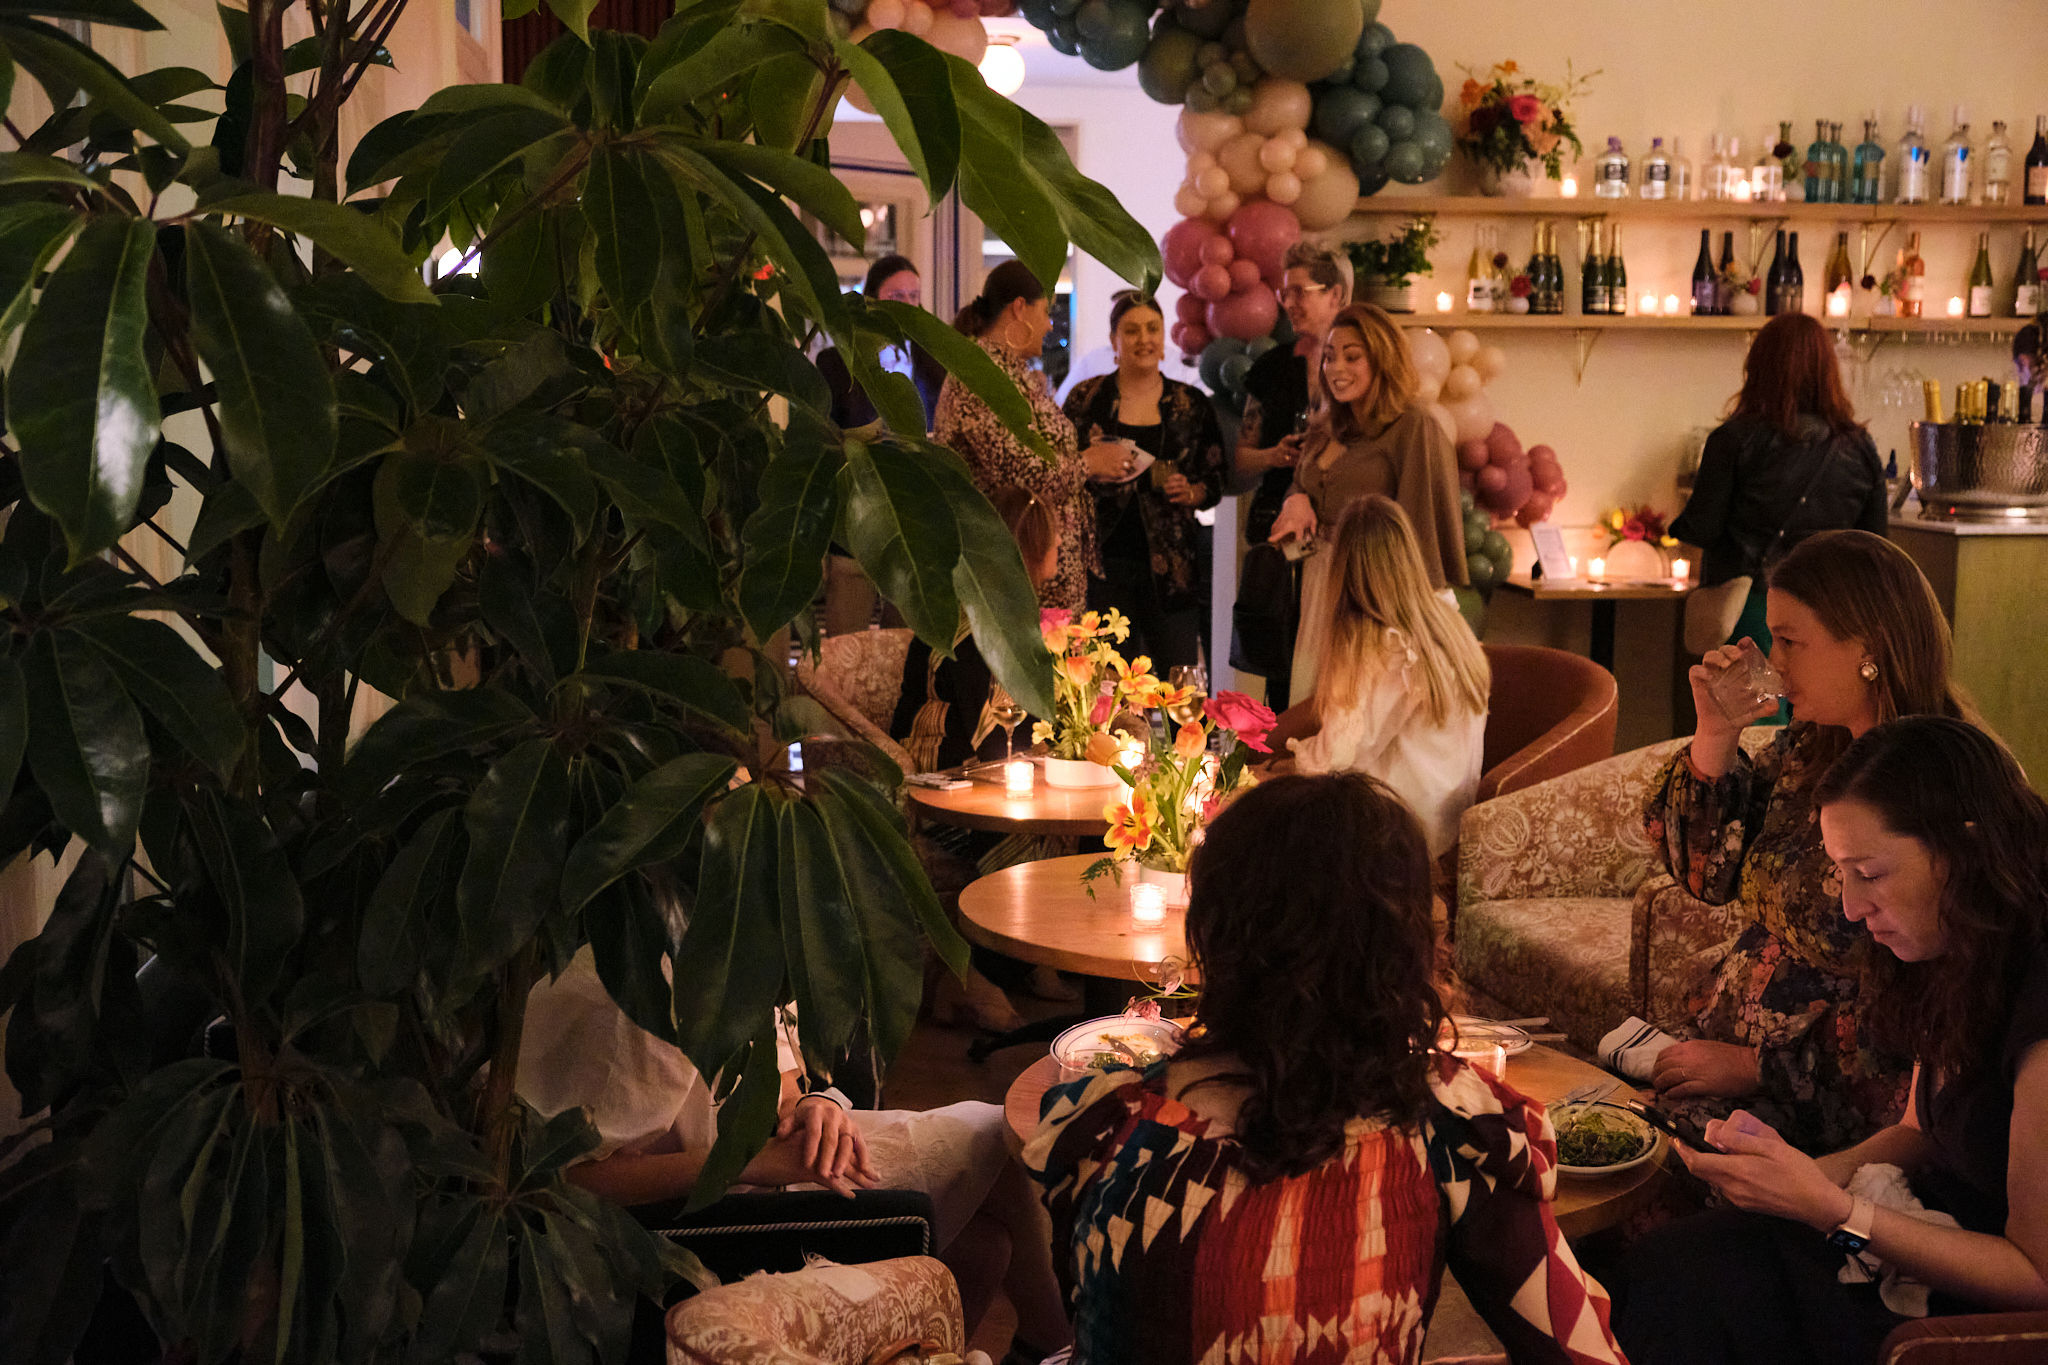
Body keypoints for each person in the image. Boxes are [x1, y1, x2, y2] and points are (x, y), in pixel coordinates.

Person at [1023, 772, 1628, 1365]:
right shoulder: (1449, 1128)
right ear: (1403, 949)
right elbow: (1579, 1351)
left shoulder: (1101, 1128)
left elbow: (1093, 1323)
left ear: (1212, 932)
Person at [1614, 716, 2048, 1365]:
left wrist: (1832, 1208)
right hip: (1902, 1240)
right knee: (1665, 1264)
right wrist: (1791, 1178)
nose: (1850, 907)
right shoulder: (1956, 942)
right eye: (1841, 873)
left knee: (1694, 1302)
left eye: (1869, 873)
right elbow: (1919, 1131)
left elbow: (2035, 1277)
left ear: (1963, 850)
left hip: (1973, 1304)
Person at [517, 950, 1072, 1360]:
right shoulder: (630, 991)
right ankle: (1060, 1344)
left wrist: (808, 1104)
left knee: (986, 1242)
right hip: (700, 1212)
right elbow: (564, 1182)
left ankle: (1041, 1344)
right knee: (992, 1142)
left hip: (762, 1160)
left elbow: (777, 1063)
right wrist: (747, 1162)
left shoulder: (744, 935)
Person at [1633, 530, 1976, 1155]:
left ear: (1869, 646)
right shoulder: (1812, 747)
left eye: (1789, 641)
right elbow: (1705, 874)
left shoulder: (1941, 783)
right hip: (1734, 1058)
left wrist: (1757, 1067)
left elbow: (1943, 1007)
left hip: (1830, 1102)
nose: (1774, 663)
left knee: (1653, 1171)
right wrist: (1716, 735)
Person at [1263, 496, 1488, 859]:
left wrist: (1274, 769)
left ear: (1344, 567)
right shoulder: (1446, 620)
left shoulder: (1381, 644)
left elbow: (1336, 760)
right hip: (1449, 821)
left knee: (1256, 822)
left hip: (1393, 831)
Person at [1266, 302, 1468, 703]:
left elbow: (1420, 532)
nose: (1336, 368)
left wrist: (1410, 619)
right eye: (1329, 357)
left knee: (1352, 712)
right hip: (1316, 586)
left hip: (1372, 597)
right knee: (1308, 704)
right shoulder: (1326, 427)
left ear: (1382, 359)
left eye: (1352, 356)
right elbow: (1302, 483)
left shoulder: (1415, 428)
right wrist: (1296, 499)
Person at [1669, 312, 1888, 655]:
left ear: (1757, 368)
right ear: (1828, 371)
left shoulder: (1733, 439)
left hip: (1751, 610)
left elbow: (1702, 528)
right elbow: (1874, 543)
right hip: (1829, 615)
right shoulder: (1860, 448)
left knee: (1744, 692)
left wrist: (1676, 525)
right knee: (1812, 692)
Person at [934, 261, 1132, 611]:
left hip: (1043, 575)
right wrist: (1088, 463)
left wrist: (1088, 460)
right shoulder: (981, 376)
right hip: (1011, 580)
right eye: (1045, 312)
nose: (1050, 324)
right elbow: (1020, 475)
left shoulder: (1012, 372)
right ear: (1019, 309)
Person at [1061, 292, 1227, 677]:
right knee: (1105, 685)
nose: (1144, 339)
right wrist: (1088, 467)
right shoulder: (1086, 399)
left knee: (1174, 686)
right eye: (1131, 331)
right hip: (1100, 567)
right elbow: (1058, 467)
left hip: (1173, 573)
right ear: (1114, 340)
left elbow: (1217, 477)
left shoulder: (1190, 404)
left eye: (1152, 329)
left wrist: (1194, 492)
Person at [1227, 241, 1351, 712]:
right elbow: (1241, 459)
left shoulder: (1361, 369)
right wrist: (1274, 456)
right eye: (1286, 293)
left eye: (1301, 291)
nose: (1290, 303)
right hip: (1280, 533)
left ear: (1335, 295)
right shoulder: (1272, 369)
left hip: (1340, 535)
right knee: (1278, 662)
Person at [893, 486, 1059, 773]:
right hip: (946, 774)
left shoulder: (1008, 616)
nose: (1059, 540)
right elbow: (995, 740)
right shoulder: (971, 629)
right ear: (1028, 547)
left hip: (997, 769)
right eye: (1052, 533)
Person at [815, 253, 948, 431]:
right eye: (897, 296)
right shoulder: (836, 363)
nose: (908, 305)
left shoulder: (935, 360)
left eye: (914, 295)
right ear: (873, 299)